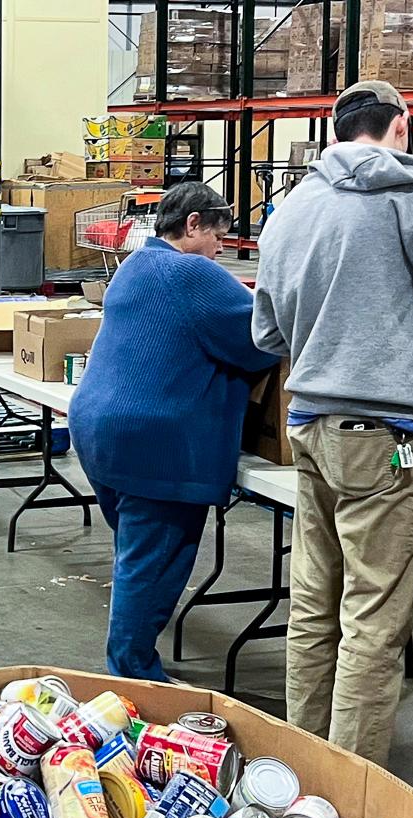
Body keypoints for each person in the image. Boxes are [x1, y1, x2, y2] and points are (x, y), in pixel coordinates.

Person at [252, 81, 413, 764]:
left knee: (314, 605)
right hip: (385, 437)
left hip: (307, 425)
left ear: (334, 129)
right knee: (373, 616)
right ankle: (350, 787)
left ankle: (304, 770)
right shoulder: (411, 196)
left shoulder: (291, 208)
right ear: (402, 126)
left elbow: (266, 336)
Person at [71, 183, 278, 681]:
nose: (221, 247)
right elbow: (262, 339)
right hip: (155, 448)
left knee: (136, 558)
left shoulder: (133, 266)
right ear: (192, 225)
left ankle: (131, 665)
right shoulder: (193, 272)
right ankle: (133, 680)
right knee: (152, 565)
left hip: (98, 431)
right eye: (217, 235)